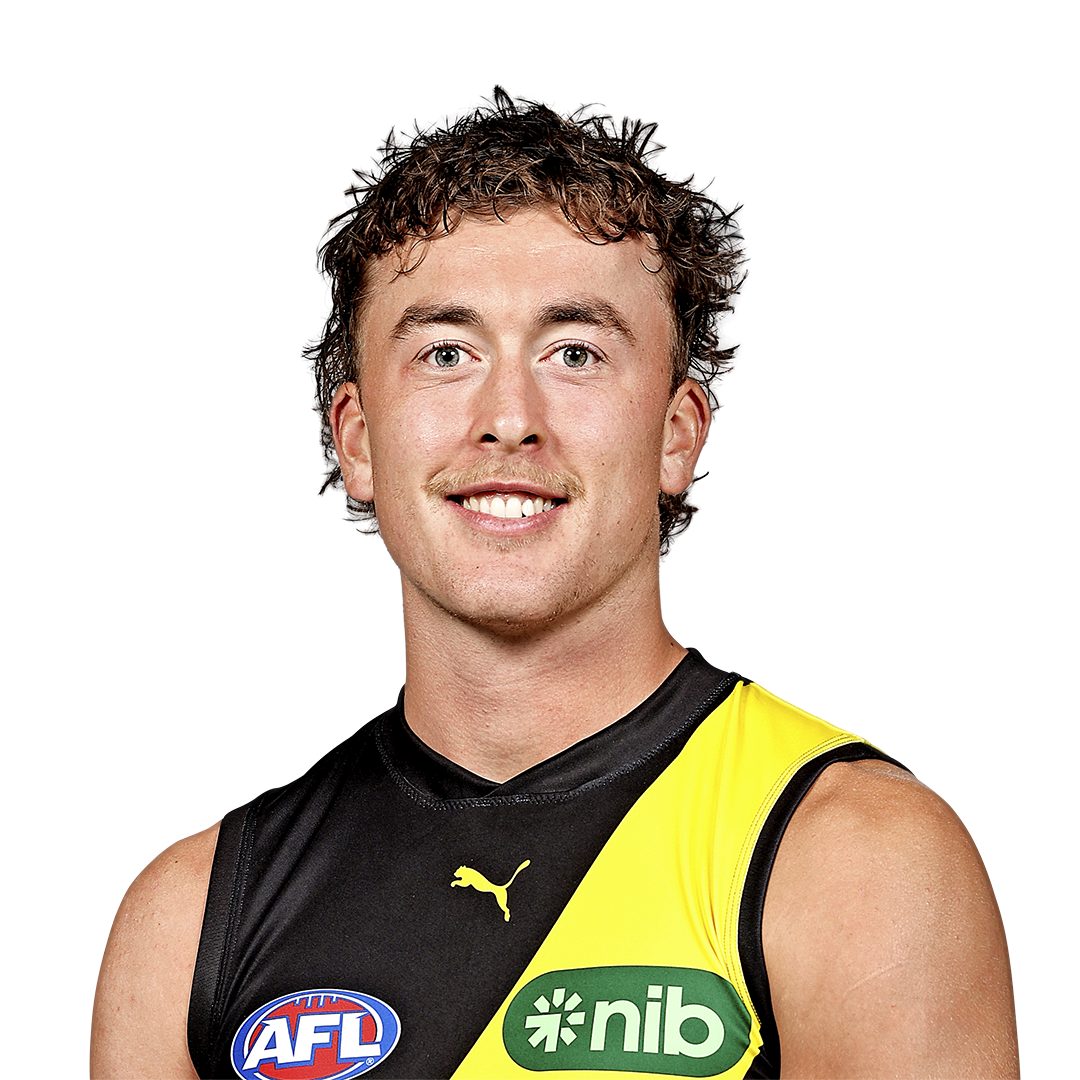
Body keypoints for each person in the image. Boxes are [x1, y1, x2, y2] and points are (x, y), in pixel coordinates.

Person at [91, 87, 1018, 1079]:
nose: (508, 417)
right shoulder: (189, 923)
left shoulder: (854, 862)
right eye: (446, 353)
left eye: (574, 353)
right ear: (355, 442)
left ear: (677, 435)